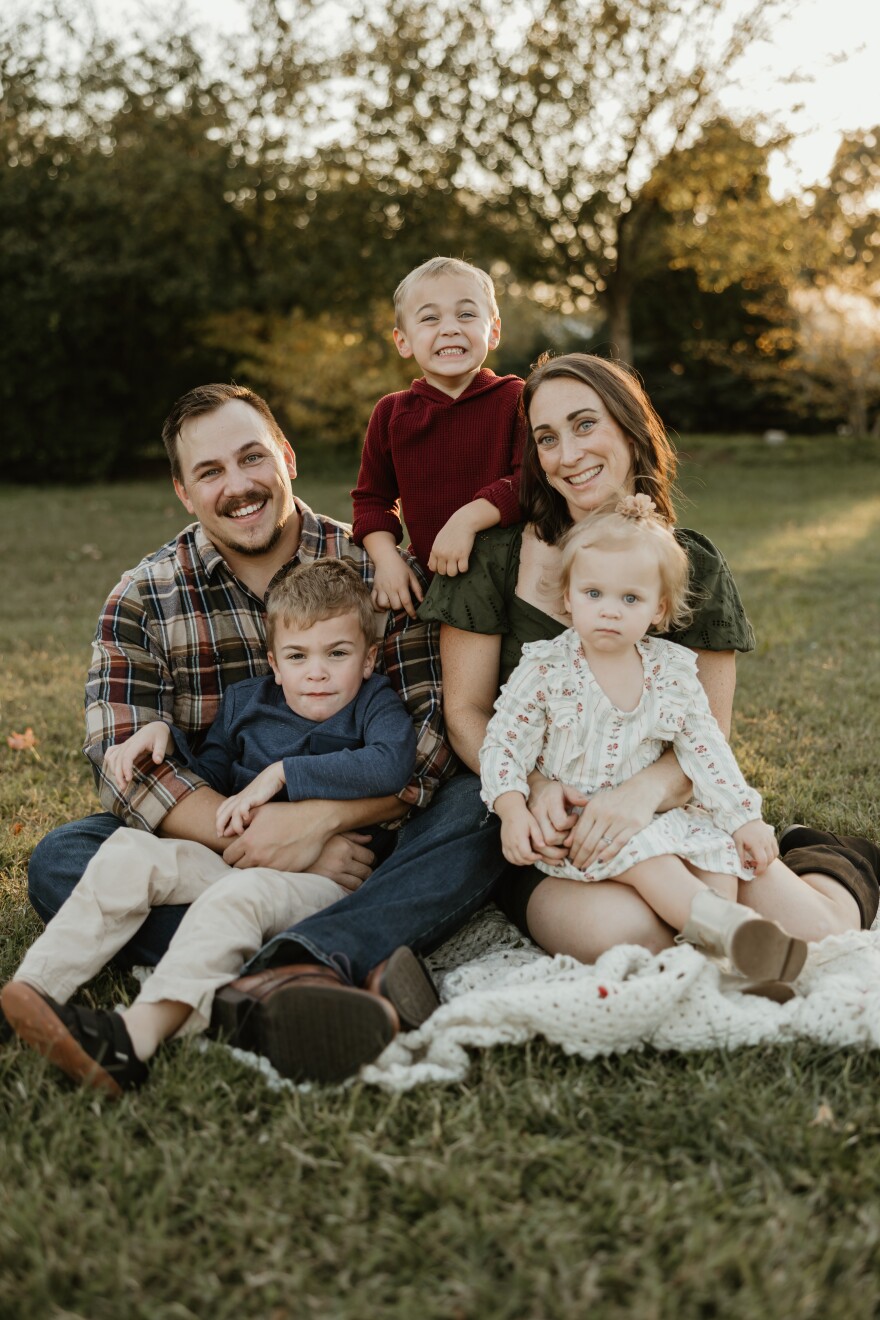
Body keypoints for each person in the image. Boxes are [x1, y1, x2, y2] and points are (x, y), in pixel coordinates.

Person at [26, 382, 508, 1083]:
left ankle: (277, 967)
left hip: (371, 849)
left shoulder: (378, 567)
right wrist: (268, 842)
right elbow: (125, 765)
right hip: (225, 843)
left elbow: (429, 739)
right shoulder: (144, 594)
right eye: (210, 472)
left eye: (252, 458)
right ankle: (310, 971)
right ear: (183, 492)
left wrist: (319, 820)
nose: (238, 486)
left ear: (286, 456)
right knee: (66, 858)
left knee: (481, 805)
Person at [422, 352, 880, 963]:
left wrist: (640, 796)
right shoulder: (494, 559)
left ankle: (831, 858)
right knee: (635, 939)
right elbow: (467, 714)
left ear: (630, 430)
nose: (568, 454)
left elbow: (708, 731)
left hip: (670, 808)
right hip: (552, 823)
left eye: (586, 424)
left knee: (821, 935)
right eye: (547, 438)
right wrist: (532, 790)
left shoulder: (691, 566)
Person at [3, 561, 419, 1094]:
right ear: (274, 662)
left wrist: (283, 774)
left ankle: (134, 1036)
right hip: (238, 859)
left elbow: (392, 765)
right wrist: (165, 734)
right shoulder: (247, 702)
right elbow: (214, 780)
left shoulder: (373, 704)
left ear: (366, 660)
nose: (317, 672)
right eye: (298, 656)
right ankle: (34, 992)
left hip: (330, 885)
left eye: (337, 654)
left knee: (236, 898)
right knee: (130, 851)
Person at [480, 493, 810, 990]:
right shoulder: (546, 669)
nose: (609, 612)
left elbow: (706, 750)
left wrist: (744, 818)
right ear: (568, 597)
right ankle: (733, 937)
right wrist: (512, 809)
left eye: (629, 599)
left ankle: (735, 960)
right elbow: (502, 744)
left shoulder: (670, 672)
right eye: (593, 594)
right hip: (584, 824)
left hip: (659, 816)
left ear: (659, 609)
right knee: (654, 863)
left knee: (717, 859)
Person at [351, 256, 526, 617]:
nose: (449, 329)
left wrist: (467, 519)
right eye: (430, 318)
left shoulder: (516, 398)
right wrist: (387, 561)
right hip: (431, 585)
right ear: (403, 341)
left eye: (465, 315)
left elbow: (533, 481)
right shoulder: (392, 413)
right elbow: (372, 500)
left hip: (517, 583)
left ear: (493, 331)